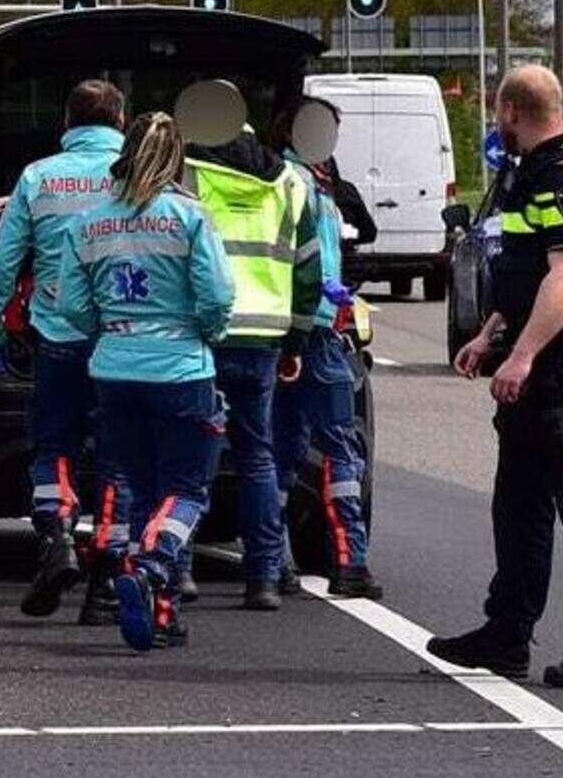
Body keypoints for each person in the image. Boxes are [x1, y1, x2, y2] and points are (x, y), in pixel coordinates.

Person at [430, 64, 563, 689]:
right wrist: (492, 333)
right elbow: (525, 274)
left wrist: (521, 357)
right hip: (539, 364)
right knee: (518, 506)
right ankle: (507, 634)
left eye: (498, 113)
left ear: (509, 113)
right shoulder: (531, 176)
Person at [73, 110, 233, 653]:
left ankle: (163, 616)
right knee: (186, 492)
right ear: (177, 159)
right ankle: (154, 566)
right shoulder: (189, 217)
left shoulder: (90, 221)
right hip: (182, 368)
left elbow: (72, 306)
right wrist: (206, 335)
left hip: (114, 369)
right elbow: (216, 295)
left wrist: (111, 331)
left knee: (142, 492)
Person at [0, 76, 128, 619]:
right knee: (117, 459)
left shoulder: (39, 177)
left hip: (58, 338)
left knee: (53, 448)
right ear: (120, 122)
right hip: (123, 341)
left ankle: (57, 534)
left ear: (67, 122)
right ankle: (108, 581)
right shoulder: (133, 179)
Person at [179, 79, 318, 610]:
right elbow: (309, 270)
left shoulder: (187, 175)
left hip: (202, 331)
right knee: (256, 453)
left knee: (194, 451)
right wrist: (298, 339)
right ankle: (262, 577)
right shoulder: (289, 183)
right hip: (265, 336)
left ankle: (181, 566)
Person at [273, 94, 383, 602]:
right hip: (313, 331)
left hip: (280, 331)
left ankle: (271, 562)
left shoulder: (290, 181)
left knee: (281, 449)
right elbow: (311, 262)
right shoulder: (305, 187)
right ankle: (350, 562)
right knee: (339, 447)